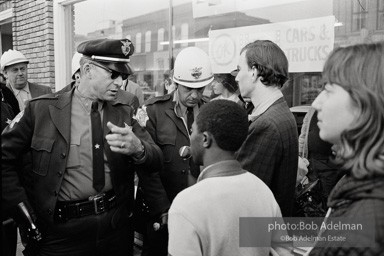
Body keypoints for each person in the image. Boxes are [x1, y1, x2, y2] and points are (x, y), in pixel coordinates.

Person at [1, 38, 164, 256]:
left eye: (123, 76)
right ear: (87, 70)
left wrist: (139, 149)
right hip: (59, 236)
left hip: (114, 230)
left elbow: (156, 159)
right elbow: (4, 158)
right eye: (113, 74)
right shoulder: (41, 110)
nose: (119, 83)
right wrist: (25, 214)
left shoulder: (125, 112)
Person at [167, 100, 293, 256]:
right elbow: (284, 251)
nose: (190, 137)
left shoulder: (187, 204)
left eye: (192, 131)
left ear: (205, 139)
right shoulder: (261, 191)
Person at [307, 42, 384, 255]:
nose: (316, 103)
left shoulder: (365, 222)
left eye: (329, 90)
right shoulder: (362, 183)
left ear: (365, 104)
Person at [137, 46, 214, 256]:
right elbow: (147, 169)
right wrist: (163, 209)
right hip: (164, 211)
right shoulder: (153, 111)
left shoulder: (211, 111)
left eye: (200, 89)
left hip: (201, 210)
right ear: (175, 83)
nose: (195, 95)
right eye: (188, 89)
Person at [233, 40, 298, 217]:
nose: (237, 77)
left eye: (240, 69)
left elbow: (245, 198)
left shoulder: (266, 125)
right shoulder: (279, 111)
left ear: (254, 72)